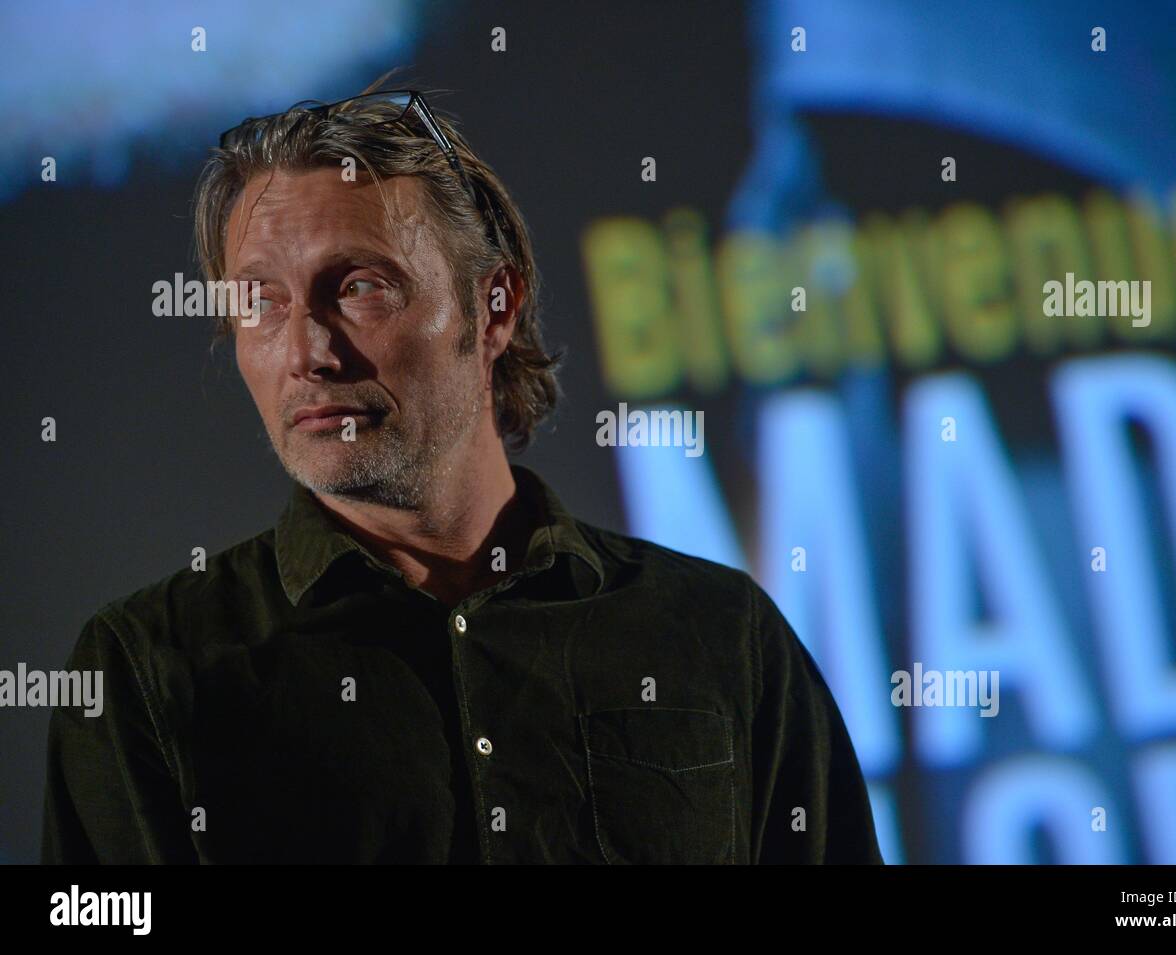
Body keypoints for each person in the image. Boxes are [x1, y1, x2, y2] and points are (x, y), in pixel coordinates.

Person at [41, 78, 885, 865]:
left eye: (361, 286)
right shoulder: (147, 672)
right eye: (259, 301)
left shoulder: (721, 635)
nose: (308, 351)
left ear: (494, 306)